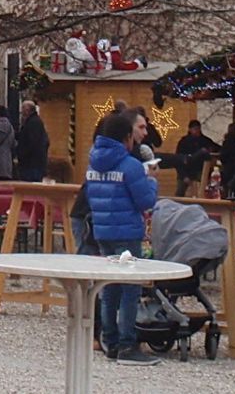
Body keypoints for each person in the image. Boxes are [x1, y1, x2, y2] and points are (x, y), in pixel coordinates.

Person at [85, 107, 159, 365]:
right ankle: (129, 344)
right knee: (130, 290)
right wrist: (151, 180)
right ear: (126, 137)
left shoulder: (92, 162)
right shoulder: (131, 165)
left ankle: (110, 341)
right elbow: (146, 202)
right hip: (127, 232)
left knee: (110, 289)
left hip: (103, 232)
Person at [174, 120, 220, 197]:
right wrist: (183, 175)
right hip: (186, 170)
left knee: (203, 193)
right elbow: (178, 160)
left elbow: (217, 148)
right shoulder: (183, 142)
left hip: (200, 171)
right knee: (180, 192)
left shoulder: (205, 141)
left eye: (198, 129)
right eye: (195, 129)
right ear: (190, 129)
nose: (197, 131)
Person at [15, 100, 49, 183]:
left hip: (31, 163)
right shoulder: (33, 121)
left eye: (22, 109)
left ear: (27, 110)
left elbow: (32, 142)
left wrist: (22, 154)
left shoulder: (33, 122)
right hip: (34, 162)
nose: (21, 111)